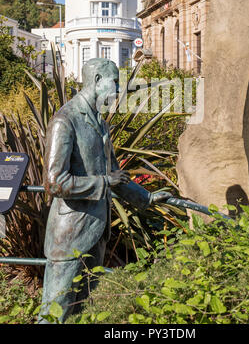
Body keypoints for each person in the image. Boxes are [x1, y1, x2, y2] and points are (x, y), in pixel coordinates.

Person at [38, 58, 170, 324]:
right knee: (55, 314)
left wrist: (148, 198)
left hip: (97, 234)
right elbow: (54, 182)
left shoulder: (101, 124)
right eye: (115, 81)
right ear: (97, 80)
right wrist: (102, 183)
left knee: (83, 312)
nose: (119, 89)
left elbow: (116, 176)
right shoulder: (66, 120)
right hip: (69, 238)